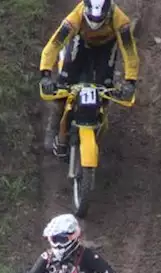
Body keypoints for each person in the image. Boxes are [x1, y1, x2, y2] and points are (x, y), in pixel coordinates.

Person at [38, 0, 140, 157]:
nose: (95, 24)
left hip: (106, 48)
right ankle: (54, 124)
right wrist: (45, 74)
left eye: (100, 20)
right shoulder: (75, 17)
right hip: (81, 43)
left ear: (108, 13)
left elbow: (129, 51)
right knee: (63, 84)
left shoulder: (120, 20)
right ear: (85, 11)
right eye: (91, 19)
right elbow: (55, 44)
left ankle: (99, 127)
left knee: (105, 89)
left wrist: (130, 81)